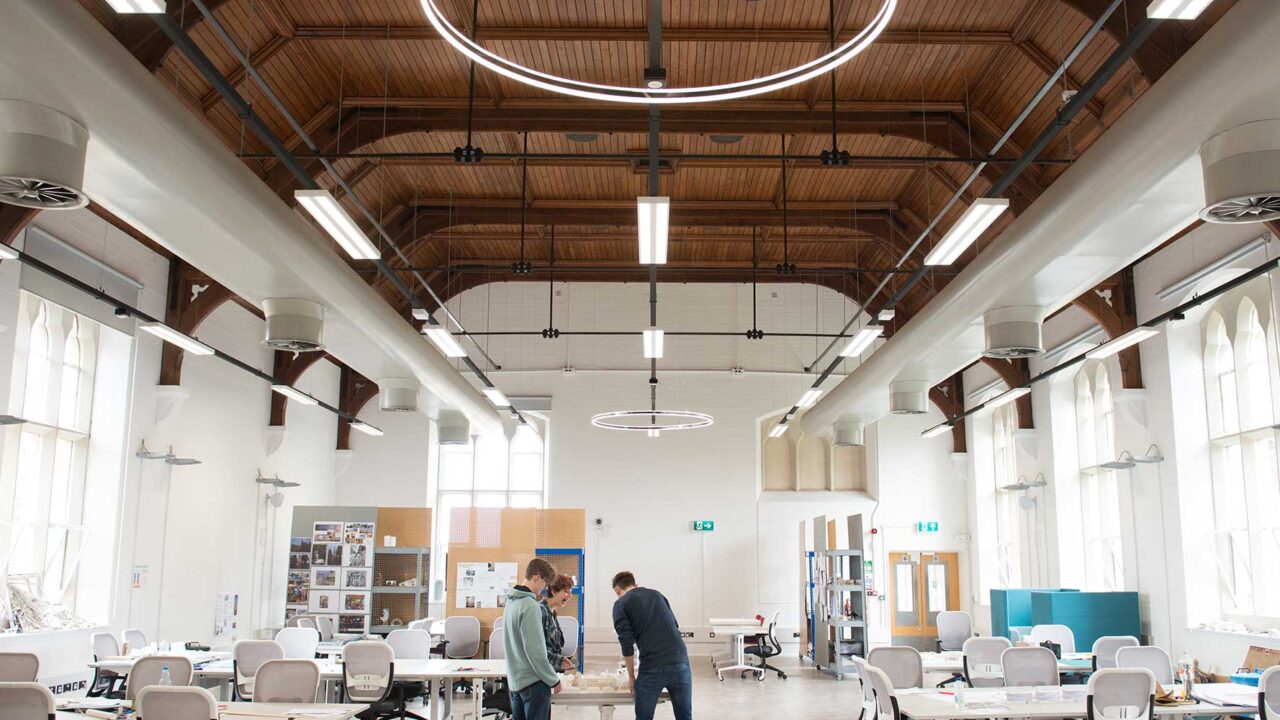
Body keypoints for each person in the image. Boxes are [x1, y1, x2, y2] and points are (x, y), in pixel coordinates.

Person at [612, 571, 692, 720]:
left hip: (652, 666)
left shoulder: (620, 604)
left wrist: (630, 676)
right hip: (680, 660)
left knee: (644, 717)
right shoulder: (657, 595)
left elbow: (626, 642)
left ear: (617, 591)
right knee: (685, 716)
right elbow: (674, 625)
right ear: (635, 585)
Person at [503, 559, 563, 720]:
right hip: (534, 685)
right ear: (536, 577)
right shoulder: (530, 606)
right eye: (544, 583)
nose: (543, 589)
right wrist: (553, 678)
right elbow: (535, 651)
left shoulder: (510, 602)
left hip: (516, 683)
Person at [541, 574, 576, 672]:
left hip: (552, 670)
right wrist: (559, 660)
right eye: (566, 592)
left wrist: (560, 662)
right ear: (554, 591)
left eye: (570, 592)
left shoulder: (553, 613)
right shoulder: (540, 611)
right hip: (542, 673)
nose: (570, 596)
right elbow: (536, 649)